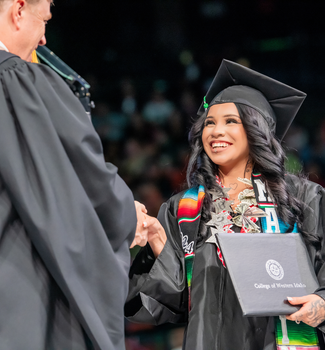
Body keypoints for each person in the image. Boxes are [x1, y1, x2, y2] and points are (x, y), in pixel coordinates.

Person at [0, 1, 147, 349]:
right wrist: (129, 217)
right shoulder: (11, 82)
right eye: (44, 21)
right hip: (16, 313)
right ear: (18, 9)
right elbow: (86, 190)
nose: (42, 41)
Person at [125, 59, 325, 349]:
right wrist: (156, 236)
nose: (216, 131)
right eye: (209, 123)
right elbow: (174, 298)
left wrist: (320, 305)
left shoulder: (302, 198)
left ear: (258, 129)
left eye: (231, 121)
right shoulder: (184, 210)